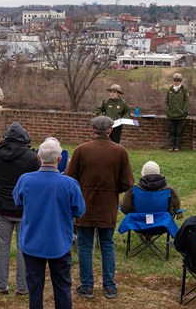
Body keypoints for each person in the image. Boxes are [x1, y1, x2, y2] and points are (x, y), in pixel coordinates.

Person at [65, 116, 134, 300]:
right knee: (107, 245)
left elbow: (69, 179)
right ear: (111, 130)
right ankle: (109, 287)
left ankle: (87, 287)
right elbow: (127, 182)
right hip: (107, 206)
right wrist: (112, 191)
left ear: (92, 129)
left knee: (85, 246)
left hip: (84, 207)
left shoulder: (81, 150)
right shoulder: (120, 151)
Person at [13, 138, 86, 309]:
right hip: (59, 242)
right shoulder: (69, 183)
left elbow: (18, 202)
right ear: (59, 159)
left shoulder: (25, 180)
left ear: (39, 157)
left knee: (35, 288)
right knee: (62, 287)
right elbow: (80, 210)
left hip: (32, 241)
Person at [0, 122, 41, 295]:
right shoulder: (32, 158)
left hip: (3, 207)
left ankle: (2, 285)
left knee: (2, 249)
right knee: (23, 249)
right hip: (21, 209)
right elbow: (38, 185)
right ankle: (22, 287)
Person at [165, 72, 190, 152]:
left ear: (181, 81)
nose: (176, 82)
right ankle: (171, 146)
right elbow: (166, 101)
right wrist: (168, 110)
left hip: (181, 115)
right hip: (171, 115)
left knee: (178, 132)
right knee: (172, 132)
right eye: (175, 80)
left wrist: (183, 111)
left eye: (178, 80)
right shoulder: (170, 90)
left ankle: (177, 146)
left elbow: (186, 102)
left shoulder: (184, 90)